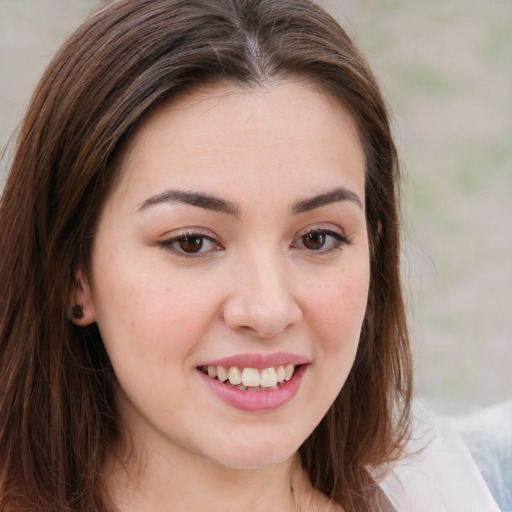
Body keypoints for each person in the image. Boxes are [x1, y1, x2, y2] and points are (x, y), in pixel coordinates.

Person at [0, 1, 501, 511]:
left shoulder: (444, 492)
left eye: (317, 239)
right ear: (72, 273)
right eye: (191, 242)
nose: (267, 310)